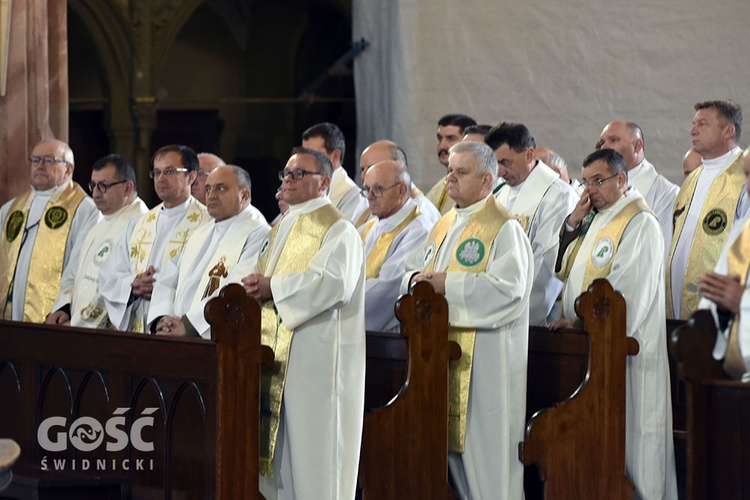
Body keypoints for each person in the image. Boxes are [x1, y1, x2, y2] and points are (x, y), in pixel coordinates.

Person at [401, 141, 532, 499]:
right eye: (449, 172)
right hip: (440, 361)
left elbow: (510, 291)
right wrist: (416, 282)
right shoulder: (444, 223)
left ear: (487, 180)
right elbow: (413, 271)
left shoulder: (504, 228)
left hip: (486, 366)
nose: (451, 180)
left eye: (461, 173)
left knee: (489, 465)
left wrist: (447, 284)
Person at [235, 147, 365, 499]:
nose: (288, 180)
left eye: (298, 174)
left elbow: (335, 284)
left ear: (324, 182)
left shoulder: (339, 228)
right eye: (286, 174)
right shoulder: (284, 224)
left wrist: (272, 287)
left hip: (316, 363)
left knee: (315, 461)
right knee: (282, 462)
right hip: (277, 358)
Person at [550, 148, 677, 499]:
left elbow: (626, 296)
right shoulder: (598, 217)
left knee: (636, 445)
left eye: (599, 181)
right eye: (586, 181)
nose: (590, 189)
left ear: (622, 180)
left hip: (630, 354)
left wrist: (579, 322)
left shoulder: (639, 223)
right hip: (594, 349)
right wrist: (573, 222)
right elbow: (563, 269)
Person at [148, 165, 269, 338]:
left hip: (215, 340)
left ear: (244, 195)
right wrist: (162, 318)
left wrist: (188, 326)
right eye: (208, 189)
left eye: (221, 188)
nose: (211, 196)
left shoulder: (258, 233)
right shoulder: (202, 231)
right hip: (175, 333)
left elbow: (238, 290)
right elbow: (169, 276)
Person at [98, 144, 209, 332]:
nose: (161, 179)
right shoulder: (139, 223)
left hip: (176, 325)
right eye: (156, 173)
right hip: (137, 323)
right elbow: (108, 274)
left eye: (169, 171)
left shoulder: (207, 222)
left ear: (191, 176)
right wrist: (132, 285)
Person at [485, 122, 578, 326]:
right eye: (495, 164)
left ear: (529, 155)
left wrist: (517, 314)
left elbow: (547, 263)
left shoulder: (558, 195)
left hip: (533, 319)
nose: (499, 172)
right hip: (496, 309)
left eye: (505, 162)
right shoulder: (500, 193)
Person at [0, 139, 99, 322]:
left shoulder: (85, 210)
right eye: (35, 160)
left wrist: (65, 307)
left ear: (68, 169)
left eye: (48, 160)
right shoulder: (11, 209)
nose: (40, 166)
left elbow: (81, 266)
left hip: (54, 317)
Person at [667, 100, 749, 320]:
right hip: (675, 312)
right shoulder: (692, 179)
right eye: (694, 124)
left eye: (702, 124)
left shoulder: (744, 175)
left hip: (723, 311)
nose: (693, 130)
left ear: (728, 131)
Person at [46, 154, 148, 328]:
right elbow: (74, 272)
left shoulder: (142, 226)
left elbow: (123, 286)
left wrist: (79, 322)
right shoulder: (98, 222)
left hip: (108, 333)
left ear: (127, 188)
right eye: (93, 185)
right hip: (76, 324)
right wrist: (63, 308)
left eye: (103, 186)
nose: (95, 194)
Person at [360, 160, 433, 332]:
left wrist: (339, 307)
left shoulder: (419, 230)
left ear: (402, 190)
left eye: (378, 189)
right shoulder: (368, 227)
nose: (370, 196)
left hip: (387, 339)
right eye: (366, 189)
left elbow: (387, 289)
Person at [698, 146, 750, 381]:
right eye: (747, 175)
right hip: (733, 376)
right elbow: (716, 296)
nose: (748, 185)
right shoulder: (742, 229)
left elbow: (738, 298)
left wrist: (743, 302)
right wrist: (718, 306)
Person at [598, 121, 679, 260]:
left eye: (613, 140)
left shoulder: (666, 192)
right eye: (602, 143)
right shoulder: (596, 188)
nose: (604, 147)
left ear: (637, 146)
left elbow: (663, 250)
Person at [351, 140, 440, 228]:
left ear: (398, 167)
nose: (364, 176)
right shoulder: (366, 200)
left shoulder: (420, 212)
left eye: (372, 168)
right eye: (363, 169)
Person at [301, 122, 361, 219]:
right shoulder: (301, 185)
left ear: (335, 155)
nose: (304, 160)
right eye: (303, 154)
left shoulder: (352, 196)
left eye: (313, 154)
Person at [425, 114, 477, 214]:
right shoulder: (435, 191)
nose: (442, 146)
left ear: (468, 142)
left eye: (451, 139)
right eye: (440, 138)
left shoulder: (476, 189)